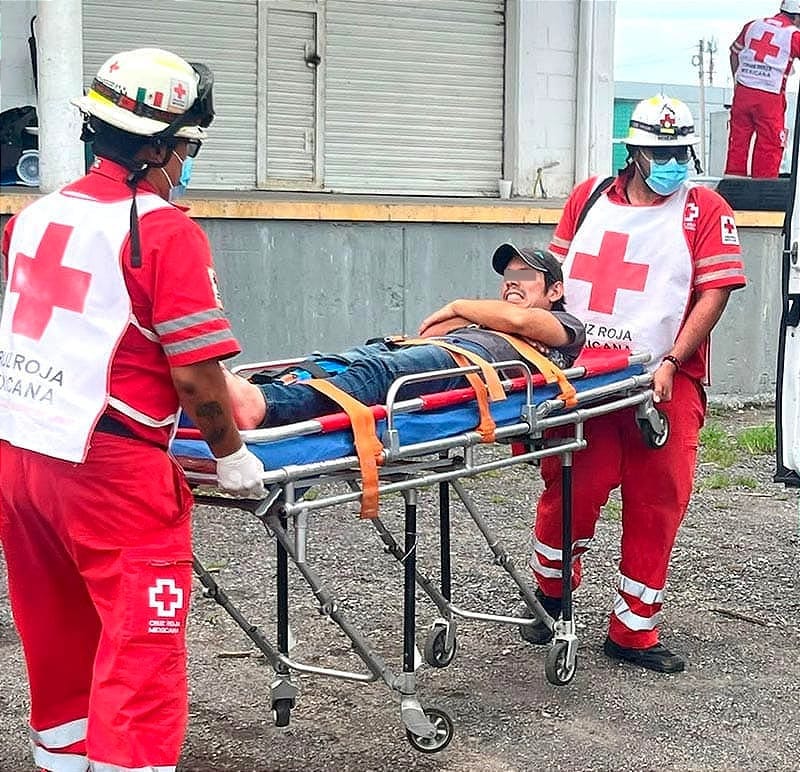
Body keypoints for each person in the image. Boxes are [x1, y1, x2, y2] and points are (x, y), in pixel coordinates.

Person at [0, 48, 265, 772]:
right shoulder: (164, 232)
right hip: (111, 474)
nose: (184, 161)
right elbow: (195, 379)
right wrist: (231, 455)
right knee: (142, 658)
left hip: (22, 455)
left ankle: (62, 760)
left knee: (57, 639)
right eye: (184, 146)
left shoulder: (32, 218)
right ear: (156, 146)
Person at [528, 94, 747, 673]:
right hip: (585, 378)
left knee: (657, 502)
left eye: (681, 152)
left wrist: (674, 359)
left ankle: (632, 630)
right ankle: (551, 596)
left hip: (664, 382)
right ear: (633, 151)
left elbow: (714, 291)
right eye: (660, 152)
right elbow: (554, 279)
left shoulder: (705, 208)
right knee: (569, 491)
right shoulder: (590, 197)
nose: (672, 163)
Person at [223, 244, 585, 429]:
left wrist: (460, 304)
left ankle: (262, 406)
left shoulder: (567, 327)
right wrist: (479, 316)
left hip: (461, 365)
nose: (512, 280)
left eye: (525, 275)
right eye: (509, 274)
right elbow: (431, 330)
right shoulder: (490, 318)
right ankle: (253, 390)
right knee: (338, 362)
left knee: (376, 377)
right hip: (433, 349)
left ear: (554, 291)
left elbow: (521, 321)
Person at [725, 1, 800, 178]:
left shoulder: (753, 25)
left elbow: (734, 53)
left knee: (738, 141)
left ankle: (733, 186)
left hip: (743, 92)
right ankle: (764, 189)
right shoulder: (793, 35)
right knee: (770, 144)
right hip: (770, 96)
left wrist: (738, 80)